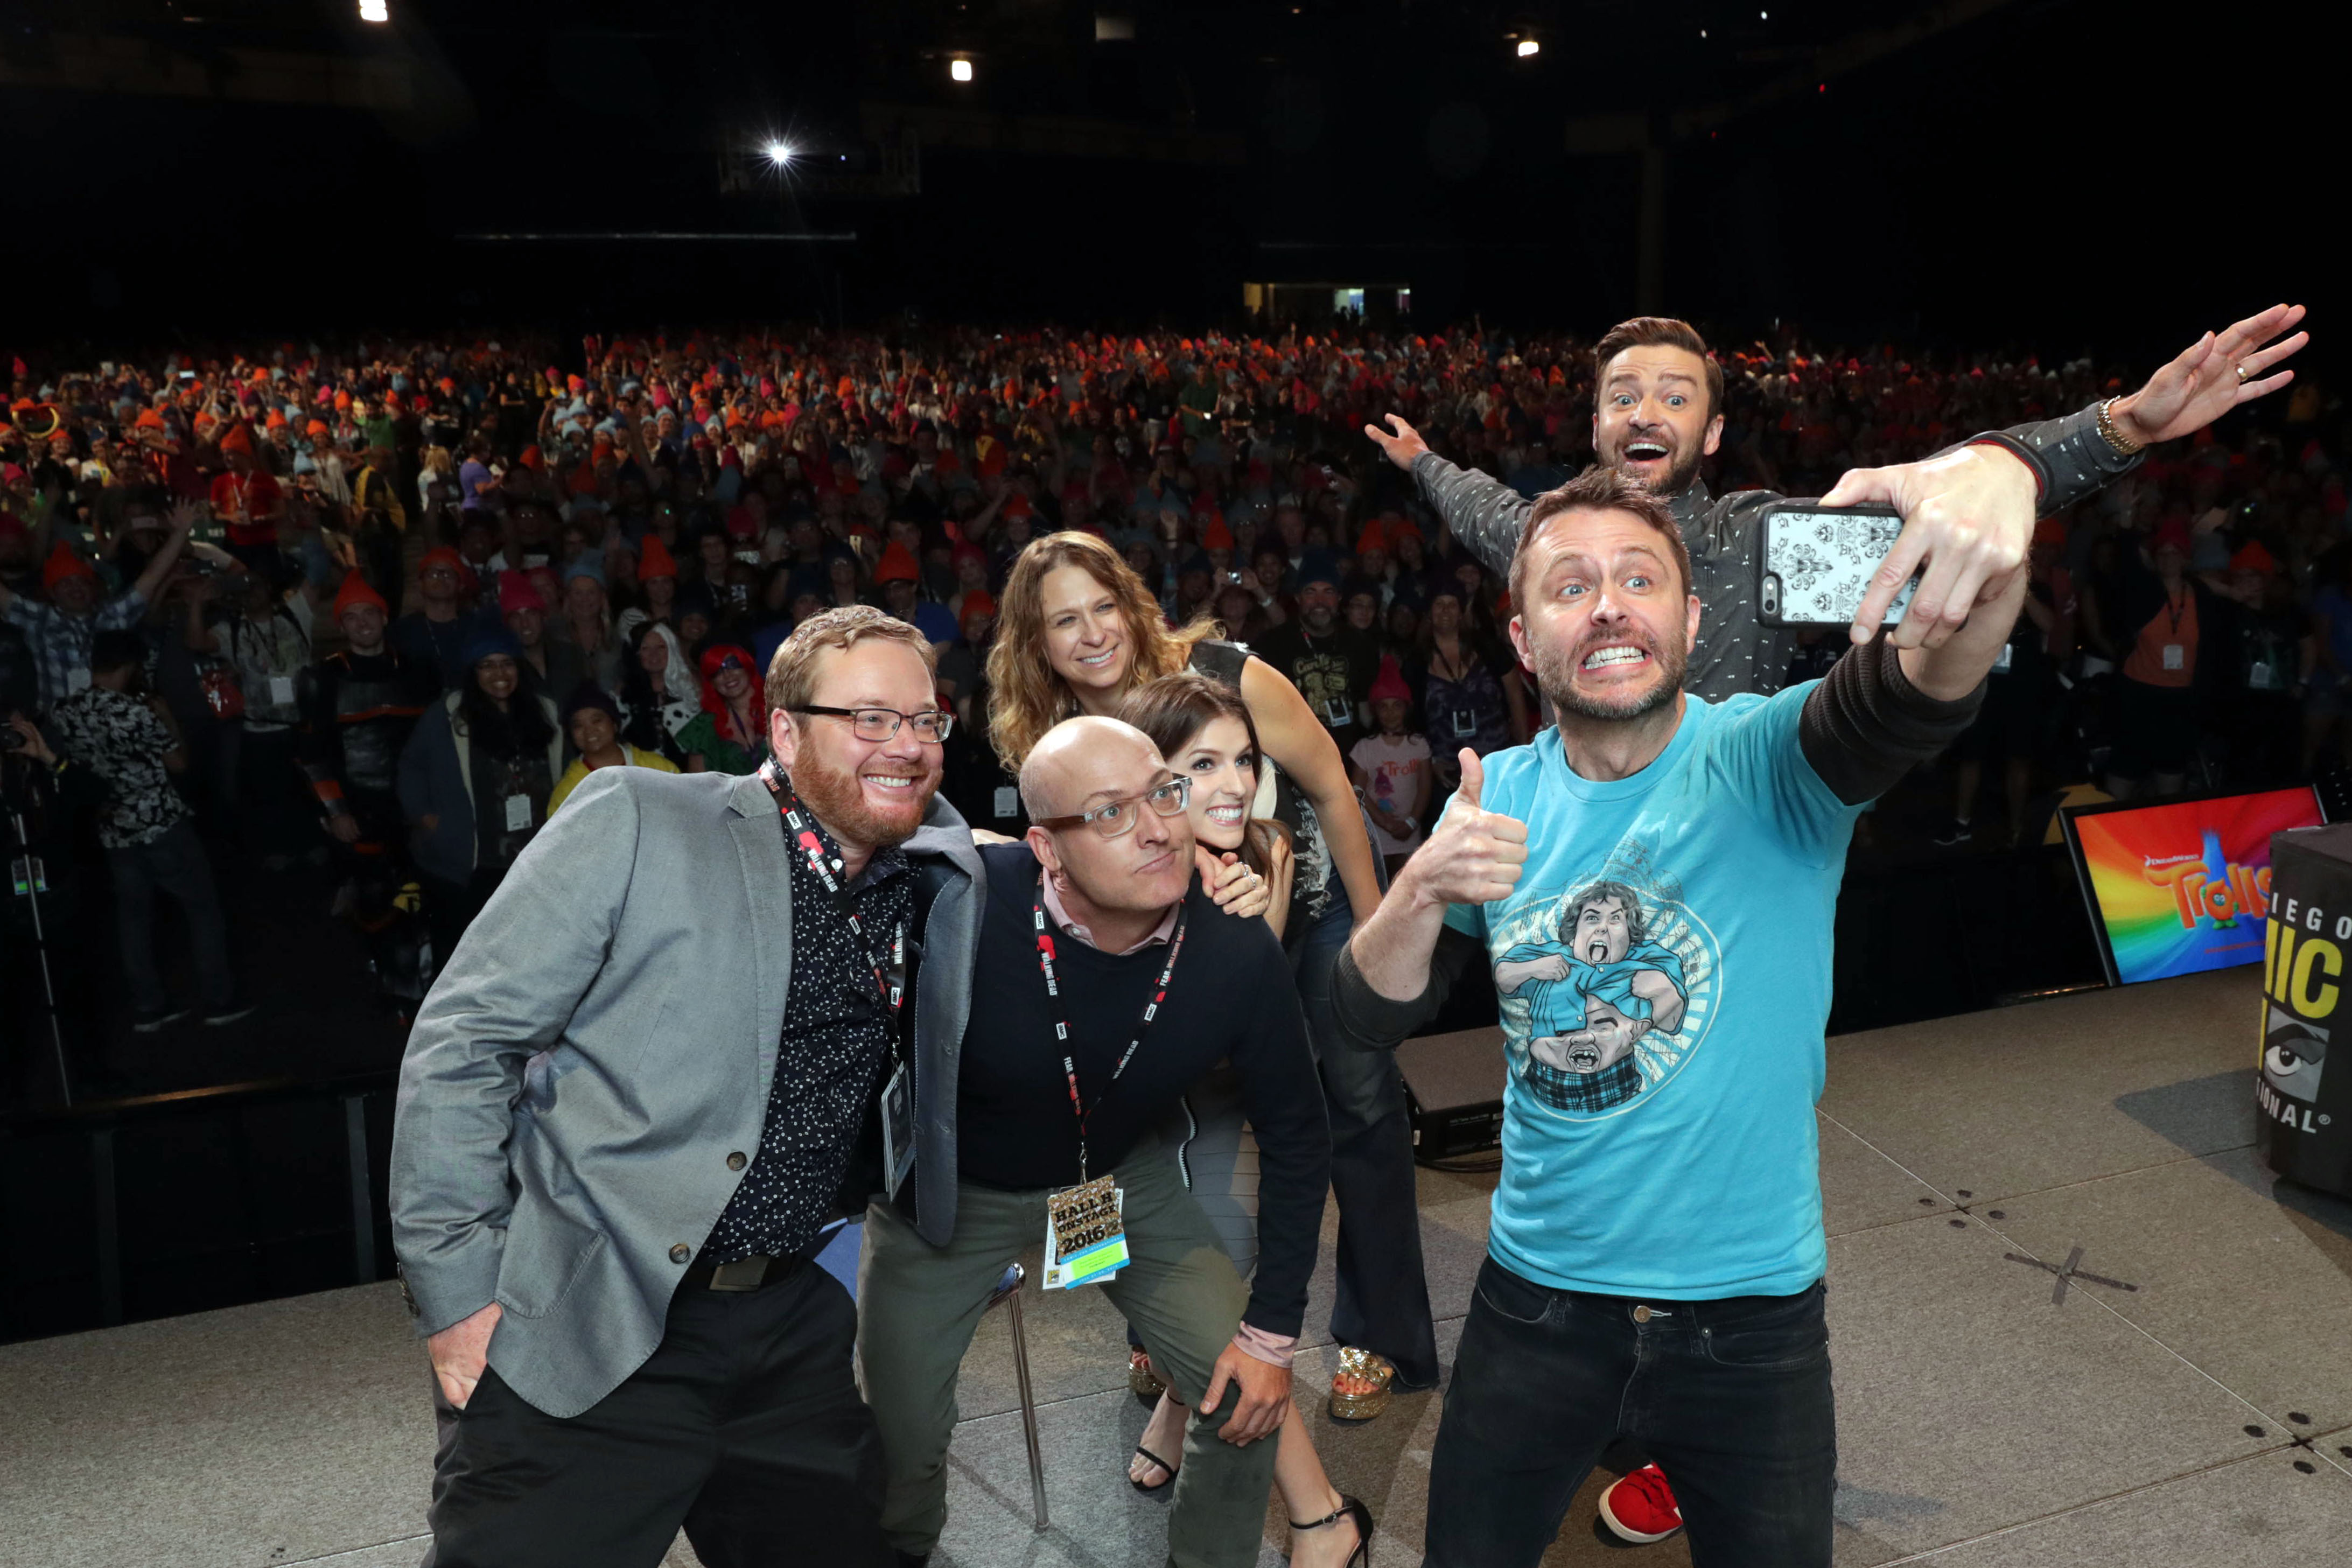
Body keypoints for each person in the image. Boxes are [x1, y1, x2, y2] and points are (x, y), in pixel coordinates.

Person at [1364, 302, 2308, 1541]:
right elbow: (1484, 507)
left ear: (1713, 426)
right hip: (1585, 882)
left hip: (1758, 846)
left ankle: (1681, 1420)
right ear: (1594, 423)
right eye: (1623, 392)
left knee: (1722, 1163)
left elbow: (1951, 528)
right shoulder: (1556, 539)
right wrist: (1422, 465)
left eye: (1674, 392)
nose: (1646, 409)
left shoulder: (1764, 546)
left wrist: (2111, 429)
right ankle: (1621, 1398)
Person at [1335, 465, 2018, 1565]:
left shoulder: (1772, 757)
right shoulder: (1494, 792)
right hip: (1536, 1304)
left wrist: (1997, 532)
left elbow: (1922, 682)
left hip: (1751, 1322)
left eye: (1639, 578)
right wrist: (1418, 888)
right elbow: (1361, 1021)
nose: (1607, 603)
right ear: (1523, 638)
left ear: (1691, 620)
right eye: (1571, 586)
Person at [390, 605, 983, 1568]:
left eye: (925, 721)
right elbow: (464, 1041)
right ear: (785, 732)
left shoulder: (933, 875)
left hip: (791, 1330)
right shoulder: (639, 816)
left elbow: (1074, 873)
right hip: (601, 1314)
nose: (906, 745)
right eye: (870, 718)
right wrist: (457, 1296)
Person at [858, 715, 1341, 1568]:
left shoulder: (1233, 946)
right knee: (899, 1434)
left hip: (1110, 1184)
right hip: (952, 1200)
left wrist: (1271, 1337)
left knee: (1245, 1395)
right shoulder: (965, 895)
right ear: (1045, 847)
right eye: (1109, 812)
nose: (1157, 827)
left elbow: (1299, 1133)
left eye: (1163, 792)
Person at [985, 531, 1439, 1415]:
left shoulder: (1229, 675)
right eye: (1061, 621)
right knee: (1153, 1130)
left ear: (1130, 601)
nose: (1088, 633)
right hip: (1169, 942)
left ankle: (1379, 1336)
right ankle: (1166, 1327)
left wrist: (1374, 939)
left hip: (1307, 912)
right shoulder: (1052, 736)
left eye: (1101, 606)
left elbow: (1334, 789)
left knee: (1356, 1104)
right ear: (1035, 643)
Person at [50, 630, 255, 1032]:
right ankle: (219, 999)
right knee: (202, 911)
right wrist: (167, 717)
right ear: (132, 666)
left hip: (113, 827)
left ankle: (149, 1005)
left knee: (133, 919)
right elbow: (179, 764)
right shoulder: (135, 712)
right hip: (160, 822)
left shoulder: (64, 710)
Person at [299, 571, 436, 1010]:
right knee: (377, 903)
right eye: (351, 617)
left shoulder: (418, 670)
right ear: (341, 626)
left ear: (384, 616)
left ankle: (426, 985)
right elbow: (310, 753)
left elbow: (439, 742)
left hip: (417, 807)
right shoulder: (323, 678)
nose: (362, 623)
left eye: (369, 614)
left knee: (425, 896)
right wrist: (336, 811)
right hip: (361, 809)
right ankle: (391, 987)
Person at [397, 629, 564, 967]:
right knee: (467, 957)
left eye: (506, 664)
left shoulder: (546, 710)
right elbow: (410, 767)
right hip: (471, 862)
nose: (499, 675)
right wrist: (428, 820)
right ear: (472, 673)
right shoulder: (447, 715)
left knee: (530, 951)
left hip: (534, 857)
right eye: (487, 666)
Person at [0, 500, 197, 710]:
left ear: (94, 588)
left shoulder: (112, 615)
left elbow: (152, 578)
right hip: (57, 725)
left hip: (107, 724)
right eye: (65, 583)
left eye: (82, 581)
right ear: (52, 593)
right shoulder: (39, 619)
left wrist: (180, 533)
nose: (75, 588)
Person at [184, 558, 314, 866]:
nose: (249, 592)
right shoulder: (231, 630)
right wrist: (198, 603)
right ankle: (275, 849)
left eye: (254, 585)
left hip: (302, 724)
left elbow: (316, 573)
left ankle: (311, 842)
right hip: (260, 728)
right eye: (242, 587)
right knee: (268, 794)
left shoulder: (295, 615)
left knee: (307, 789)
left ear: (269, 587)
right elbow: (196, 641)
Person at [2102, 519, 2220, 800]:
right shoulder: (2145, 593)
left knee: (2171, 772)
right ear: (2154, 559)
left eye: (2175, 552)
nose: (2169, 558)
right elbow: (2126, 566)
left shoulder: (2202, 596)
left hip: (2181, 699)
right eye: (2163, 553)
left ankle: (2162, 835)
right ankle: (2105, 834)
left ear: (2186, 558)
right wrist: (2127, 518)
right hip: (2139, 694)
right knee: (2125, 770)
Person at [1351, 659, 1431, 879]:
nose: (1390, 713)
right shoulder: (1365, 747)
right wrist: (1386, 823)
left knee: (1408, 883)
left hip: (1409, 832)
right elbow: (1358, 790)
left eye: (1397, 705)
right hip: (1377, 833)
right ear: (1375, 710)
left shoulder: (1418, 745)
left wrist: (1411, 822)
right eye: (1383, 707)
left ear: (1407, 708)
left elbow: (1425, 788)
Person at [548, 683, 681, 813]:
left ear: (615, 724)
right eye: (578, 725)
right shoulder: (567, 793)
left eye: (597, 720)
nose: (589, 730)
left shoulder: (659, 769)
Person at [395, 546, 493, 691]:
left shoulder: (479, 627)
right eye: (433, 574)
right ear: (421, 585)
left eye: (449, 574)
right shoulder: (401, 630)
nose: (441, 577)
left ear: (461, 585)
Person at [678, 642, 769, 774]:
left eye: (733, 665)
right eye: (717, 672)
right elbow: (697, 785)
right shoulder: (704, 728)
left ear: (748, 667)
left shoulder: (781, 708)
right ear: (712, 683)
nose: (727, 675)